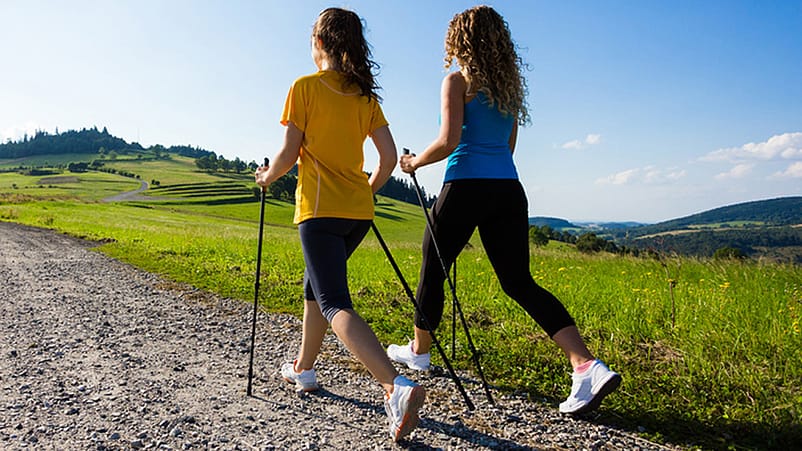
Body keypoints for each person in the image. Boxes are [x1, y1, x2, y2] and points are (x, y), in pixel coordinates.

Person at [386, 5, 620, 415]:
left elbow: (449, 141)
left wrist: (414, 163)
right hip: (508, 189)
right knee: (519, 282)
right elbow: (508, 146)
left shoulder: (457, 81)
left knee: (432, 268)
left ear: (459, 40)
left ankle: (419, 352)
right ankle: (585, 365)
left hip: (464, 185)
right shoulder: (508, 88)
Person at [255, 8, 424, 441]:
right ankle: (304, 368)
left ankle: (395, 386)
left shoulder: (305, 87)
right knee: (315, 288)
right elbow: (388, 158)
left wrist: (266, 177)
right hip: (358, 214)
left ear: (319, 42)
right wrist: (367, 190)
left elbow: (288, 154)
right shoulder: (366, 98)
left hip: (319, 212)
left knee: (333, 302)